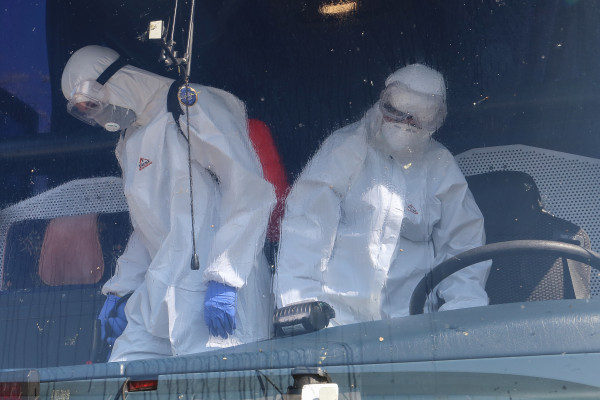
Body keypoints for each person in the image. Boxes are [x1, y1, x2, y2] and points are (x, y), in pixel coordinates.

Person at [61, 45, 276, 360]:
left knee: (216, 383)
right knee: (123, 372)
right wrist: (122, 288)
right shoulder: (130, 139)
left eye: (94, 104)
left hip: (218, 292)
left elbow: (248, 190)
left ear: (118, 79)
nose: (99, 115)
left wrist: (226, 277)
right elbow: (147, 226)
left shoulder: (190, 106)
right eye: (86, 112)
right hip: (159, 290)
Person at [275, 64, 490, 325]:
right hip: (338, 323)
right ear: (383, 103)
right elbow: (306, 229)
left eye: (419, 118)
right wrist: (303, 309)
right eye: (397, 112)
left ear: (435, 120)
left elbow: (463, 244)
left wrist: (460, 314)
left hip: (413, 326)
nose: (406, 124)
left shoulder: (439, 165)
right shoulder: (344, 150)